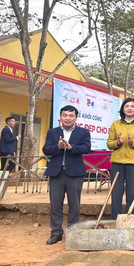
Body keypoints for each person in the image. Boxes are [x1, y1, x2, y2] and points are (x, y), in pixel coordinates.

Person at [42, 105, 91, 245]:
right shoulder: (53, 132)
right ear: (60, 117)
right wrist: (57, 147)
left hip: (75, 173)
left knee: (74, 204)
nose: (67, 118)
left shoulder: (83, 132)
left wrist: (71, 147)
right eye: (65, 115)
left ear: (76, 117)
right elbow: (46, 149)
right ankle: (56, 232)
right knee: (55, 204)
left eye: (71, 115)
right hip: (56, 173)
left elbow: (86, 148)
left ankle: (73, 231)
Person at [107, 98, 134, 219]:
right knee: (116, 193)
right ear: (123, 109)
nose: (129, 108)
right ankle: (115, 219)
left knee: (132, 193)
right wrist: (118, 142)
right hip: (117, 163)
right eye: (127, 106)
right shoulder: (116, 124)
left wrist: (132, 142)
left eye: (132, 106)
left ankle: (129, 219)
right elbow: (109, 144)